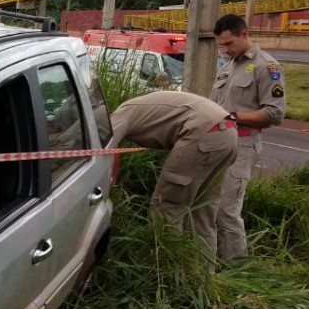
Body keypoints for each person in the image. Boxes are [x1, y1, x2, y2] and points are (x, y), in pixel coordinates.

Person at [109, 91, 239, 263]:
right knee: (203, 213)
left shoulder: (120, 114)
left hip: (201, 134)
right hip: (228, 133)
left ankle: (167, 271)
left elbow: (103, 149)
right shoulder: (137, 106)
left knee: (167, 207)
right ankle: (203, 277)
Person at [210, 14, 286, 262]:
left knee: (226, 211)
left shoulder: (267, 67)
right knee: (207, 206)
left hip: (242, 144)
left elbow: (274, 113)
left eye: (229, 43)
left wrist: (232, 117)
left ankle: (236, 267)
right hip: (216, 143)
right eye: (221, 45)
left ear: (244, 35)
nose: (225, 49)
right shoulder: (227, 66)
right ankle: (210, 262)